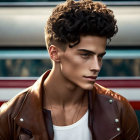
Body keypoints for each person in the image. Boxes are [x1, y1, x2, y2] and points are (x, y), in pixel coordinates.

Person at [0, 0, 139, 139]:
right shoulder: (11, 116)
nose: (96, 67)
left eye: (100, 57)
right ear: (54, 53)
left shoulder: (119, 110)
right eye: (85, 55)